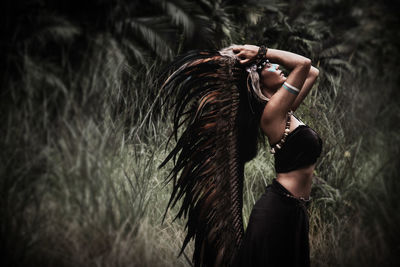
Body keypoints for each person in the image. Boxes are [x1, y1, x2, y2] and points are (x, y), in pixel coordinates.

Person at [160, 44, 322, 267]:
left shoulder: (285, 110)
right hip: (277, 210)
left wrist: (261, 56)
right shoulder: (272, 114)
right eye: (268, 66)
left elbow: (312, 71)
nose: (276, 66)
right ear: (257, 78)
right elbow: (303, 64)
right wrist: (260, 52)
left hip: (295, 210)